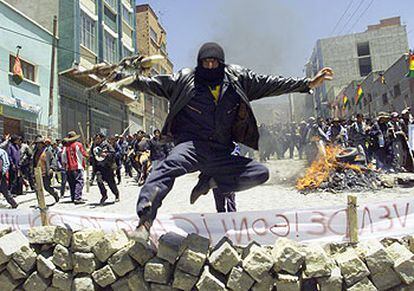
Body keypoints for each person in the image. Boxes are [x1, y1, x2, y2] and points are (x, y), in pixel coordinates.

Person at [124, 42, 332, 239]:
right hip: (192, 146)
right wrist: (121, 77)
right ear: (200, 63)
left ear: (221, 62)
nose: (210, 65)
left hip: (221, 151)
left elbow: (270, 83)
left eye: (214, 62)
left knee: (260, 173)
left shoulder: (238, 77)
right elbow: (152, 84)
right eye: (206, 62)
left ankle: (211, 181)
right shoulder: (185, 78)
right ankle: (144, 224)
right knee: (165, 168)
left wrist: (307, 83)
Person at [92, 134, 120, 204]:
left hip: (107, 167)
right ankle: (104, 195)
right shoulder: (94, 145)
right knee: (99, 181)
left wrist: (106, 155)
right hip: (99, 167)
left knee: (111, 183)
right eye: (96, 139)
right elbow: (93, 155)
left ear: (101, 139)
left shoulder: (107, 145)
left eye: (98, 138)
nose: (97, 140)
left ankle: (116, 194)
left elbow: (113, 152)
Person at [62, 131, 88, 204]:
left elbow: (63, 158)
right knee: (79, 182)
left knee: (71, 183)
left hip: (68, 167)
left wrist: (65, 166)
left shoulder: (65, 147)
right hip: (77, 166)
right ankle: (77, 197)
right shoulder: (78, 145)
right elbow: (84, 154)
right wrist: (88, 154)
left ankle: (73, 197)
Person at [33, 137, 60, 203]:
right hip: (37, 172)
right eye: (37, 144)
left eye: (39, 144)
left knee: (47, 187)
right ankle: (40, 202)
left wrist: (52, 168)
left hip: (45, 172)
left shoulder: (47, 151)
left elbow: (53, 160)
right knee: (37, 188)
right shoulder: (35, 152)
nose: (38, 145)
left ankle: (55, 194)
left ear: (42, 144)